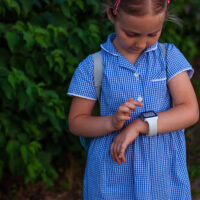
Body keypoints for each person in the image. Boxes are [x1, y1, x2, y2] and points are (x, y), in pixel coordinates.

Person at [67, 0, 199, 199]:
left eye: (153, 33)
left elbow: (190, 111)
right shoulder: (93, 66)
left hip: (162, 179)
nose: (141, 43)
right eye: (131, 34)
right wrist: (111, 122)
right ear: (113, 15)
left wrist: (140, 125)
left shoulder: (168, 57)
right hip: (111, 180)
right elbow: (77, 123)